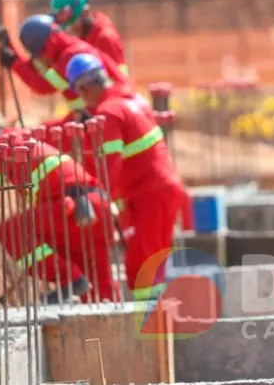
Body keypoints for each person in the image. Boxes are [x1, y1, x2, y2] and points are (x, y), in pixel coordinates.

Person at [0, 116, 118, 303]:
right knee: (97, 281)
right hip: (96, 204)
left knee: (11, 232)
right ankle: (114, 324)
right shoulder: (21, 138)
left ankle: (69, 278)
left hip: (69, 207)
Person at [65, 53, 186, 302]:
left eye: (80, 93)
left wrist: (89, 195)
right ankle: (156, 330)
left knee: (142, 269)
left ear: (85, 88)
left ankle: (150, 333)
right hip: (154, 192)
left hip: (151, 194)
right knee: (150, 266)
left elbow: (108, 169)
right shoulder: (131, 99)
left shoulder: (109, 112)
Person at [0, 14, 131, 126]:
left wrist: (14, 64)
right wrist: (8, 45)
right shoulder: (63, 50)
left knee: (45, 134)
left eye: (38, 54)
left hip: (107, 115)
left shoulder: (71, 56)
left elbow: (43, 85)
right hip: (97, 113)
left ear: (43, 47)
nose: (39, 60)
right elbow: (36, 68)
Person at [50, 0, 128, 75]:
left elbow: (121, 76)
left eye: (66, 16)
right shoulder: (82, 36)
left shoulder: (105, 38)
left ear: (84, 12)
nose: (66, 24)